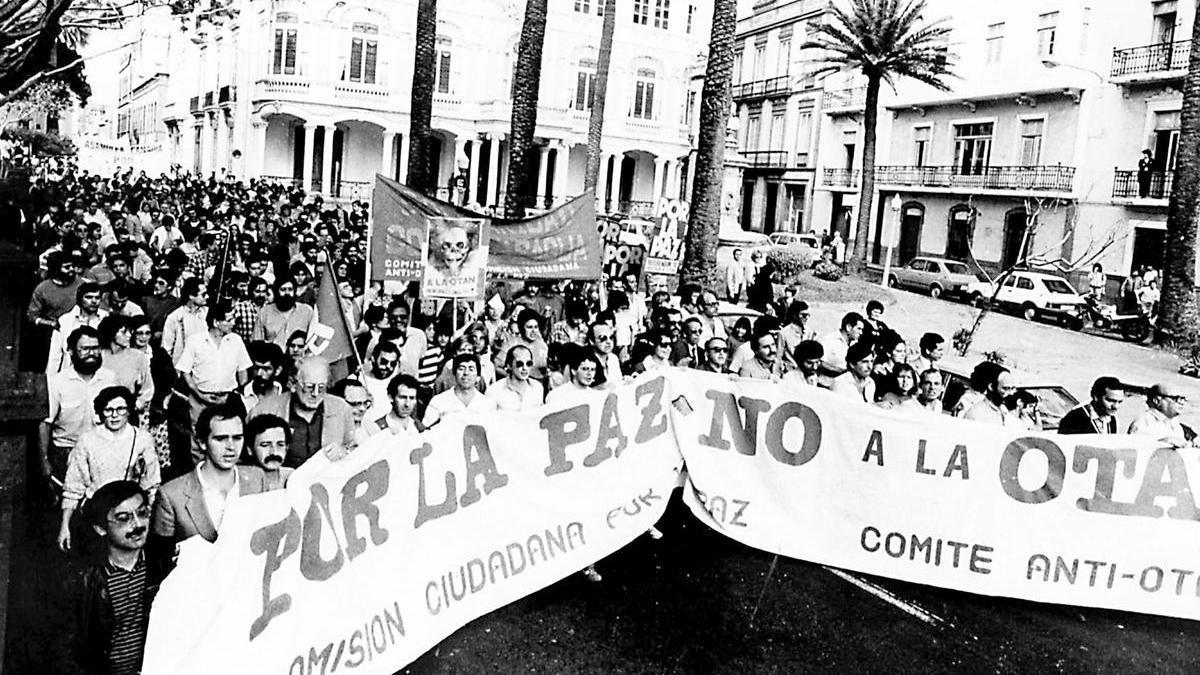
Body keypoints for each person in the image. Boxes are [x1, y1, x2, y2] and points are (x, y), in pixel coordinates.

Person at [72, 481, 169, 675]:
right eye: (124, 518)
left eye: (142, 513)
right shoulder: (86, 580)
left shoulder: (163, 568)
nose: (138, 525)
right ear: (100, 528)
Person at [152, 404, 269, 550]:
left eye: (237, 438)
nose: (231, 447)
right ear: (202, 442)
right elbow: (162, 559)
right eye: (221, 439)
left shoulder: (257, 479)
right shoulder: (171, 495)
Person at [59, 386, 160, 554]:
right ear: (100, 412)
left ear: (129, 411)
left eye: (120, 409)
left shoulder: (142, 439)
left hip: (129, 514)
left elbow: (151, 485)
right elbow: (73, 488)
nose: (114, 415)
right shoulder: (87, 441)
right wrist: (65, 527)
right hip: (97, 516)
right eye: (108, 410)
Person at [173, 301, 252, 469]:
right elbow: (185, 371)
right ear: (216, 322)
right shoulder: (195, 341)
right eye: (229, 319)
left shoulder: (236, 341)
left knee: (226, 436)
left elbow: (243, 370)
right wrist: (197, 393)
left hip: (226, 399)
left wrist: (238, 392)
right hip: (199, 399)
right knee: (199, 439)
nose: (234, 322)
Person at [43, 327, 119, 496]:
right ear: (70, 352)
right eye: (85, 349)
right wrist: (44, 461)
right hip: (66, 453)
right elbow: (46, 424)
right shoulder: (57, 383)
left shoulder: (110, 378)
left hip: (103, 451)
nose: (91, 353)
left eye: (95, 348)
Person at [250, 357, 357, 467]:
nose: (315, 394)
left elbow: (354, 448)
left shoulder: (341, 409)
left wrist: (344, 452)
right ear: (292, 384)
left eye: (321, 388)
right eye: (309, 387)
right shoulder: (264, 410)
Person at [98, 315, 154, 420]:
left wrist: (134, 407)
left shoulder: (138, 357)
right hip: (101, 415)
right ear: (112, 333)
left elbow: (148, 389)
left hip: (127, 415)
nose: (129, 335)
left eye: (130, 332)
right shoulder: (99, 357)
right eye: (124, 332)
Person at [48, 282, 109, 374]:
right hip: (70, 374)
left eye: (97, 298)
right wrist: (51, 377)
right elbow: (55, 355)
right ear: (80, 299)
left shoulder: (107, 319)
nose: (93, 301)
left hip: (100, 375)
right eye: (88, 297)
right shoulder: (65, 321)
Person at [423, 354, 498, 427]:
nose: (466, 373)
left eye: (471, 369)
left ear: (478, 377)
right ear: (454, 374)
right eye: (461, 369)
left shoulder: (487, 404)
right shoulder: (439, 401)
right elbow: (426, 430)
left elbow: (493, 433)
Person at [253, 277, 316, 350]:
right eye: (283, 290)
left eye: (290, 289)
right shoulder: (264, 313)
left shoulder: (306, 312)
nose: (287, 293)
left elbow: (312, 342)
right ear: (276, 292)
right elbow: (257, 344)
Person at [160, 277, 209, 363]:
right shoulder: (175, 317)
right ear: (191, 296)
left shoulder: (207, 314)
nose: (207, 297)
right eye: (203, 294)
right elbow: (166, 348)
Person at [1128, 383, 1192, 447]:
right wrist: (1164, 442)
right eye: (1176, 398)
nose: (1182, 403)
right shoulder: (1143, 422)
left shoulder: (1175, 424)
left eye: (1183, 399)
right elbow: (1135, 449)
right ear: (1157, 401)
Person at [241, 414, 293, 491]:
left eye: (280, 444)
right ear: (250, 449)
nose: (274, 452)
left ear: (287, 447)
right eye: (265, 445)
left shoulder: (293, 476)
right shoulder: (241, 480)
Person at [487, 345, 546, 412]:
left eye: (528, 363)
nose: (524, 368)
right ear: (509, 366)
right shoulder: (494, 391)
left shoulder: (538, 388)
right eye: (520, 364)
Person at [495, 309, 549, 380]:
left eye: (536, 327)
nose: (533, 331)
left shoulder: (543, 346)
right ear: (522, 328)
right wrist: (513, 378)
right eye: (529, 327)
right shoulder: (512, 344)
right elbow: (496, 366)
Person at [1059, 376, 1125, 434]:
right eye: (1111, 400)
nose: (1116, 406)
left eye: (1120, 402)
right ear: (1096, 397)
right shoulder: (1074, 419)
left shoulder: (1111, 419)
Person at [239, 341, 284, 413]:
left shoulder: (286, 395)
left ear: (277, 370)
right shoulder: (240, 396)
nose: (259, 374)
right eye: (256, 368)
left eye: (266, 369)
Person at [362, 341, 401, 422]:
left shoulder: (398, 382)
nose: (388, 366)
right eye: (384, 362)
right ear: (373, 358)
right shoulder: (358, 380)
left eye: (392, 364)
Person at [819, 312, 865, 376]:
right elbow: (819, 363)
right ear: (848, 327)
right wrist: (842, 372)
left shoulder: (856, 344)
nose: (861, 332)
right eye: (859, 329)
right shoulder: (829, 340)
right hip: (827, 383)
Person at [331, 378, 374, 445]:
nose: (363, 409)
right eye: (355, 404)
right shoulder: (327, 431)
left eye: (365, 403)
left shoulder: (372, 428)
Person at [778, 301, 815, 371]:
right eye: (804, 315)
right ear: (795, 315)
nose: (806, 318)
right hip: (789, 371)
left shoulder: (810, 332)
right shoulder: (783, 333)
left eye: (808, 315)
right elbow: (778, 357)